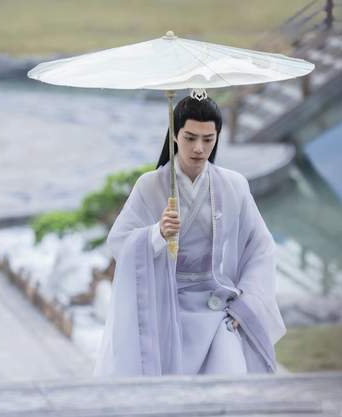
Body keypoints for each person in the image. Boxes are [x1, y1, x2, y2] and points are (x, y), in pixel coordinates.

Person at [93, 91, 286, 377]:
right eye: (190, 137)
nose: (199, 148)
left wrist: (247, 302)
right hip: (166, 305)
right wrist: (157, 233)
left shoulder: (234, 185)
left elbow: (260, 246)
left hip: (216, 306)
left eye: (208, 139)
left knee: (230, 383)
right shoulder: (150, 185)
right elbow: (119, 241)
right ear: (175, 135)